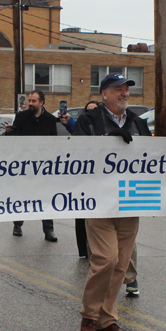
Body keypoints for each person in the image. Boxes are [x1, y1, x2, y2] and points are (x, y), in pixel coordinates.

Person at [74, 73, 152, 331]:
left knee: (120, 264)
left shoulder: (138, 123)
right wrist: (108, 142)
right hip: (99, 202)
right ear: (104, 93)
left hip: (130, 202)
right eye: (118, 89)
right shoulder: (89, 121)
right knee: (105, 259)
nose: (124, 94)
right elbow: (75, 155)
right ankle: (89, 316)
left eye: (126, 90)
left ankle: (107, 319)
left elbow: (154, 156)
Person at [5, 90, 58, 242]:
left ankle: (49, 230)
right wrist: (10, 132)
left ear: (42, 102)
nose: (30, 104)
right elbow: (14, 139)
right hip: (24, 164)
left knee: (45, 197)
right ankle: (17, 224)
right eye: (29, 100)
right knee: (21, 195)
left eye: (34, 101)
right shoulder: (21, 117)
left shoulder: (50, 119)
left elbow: (54, 142)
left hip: (43, 165)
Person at [59, 100, 100, 258]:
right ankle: (83, 251)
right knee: (81, 214)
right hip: (83, 178)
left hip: (99, 179)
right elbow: (77, 132)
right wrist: (69, 123)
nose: (91, 114)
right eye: (87, 111)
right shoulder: (82, 125)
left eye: (94, 110)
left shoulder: (103, 126)